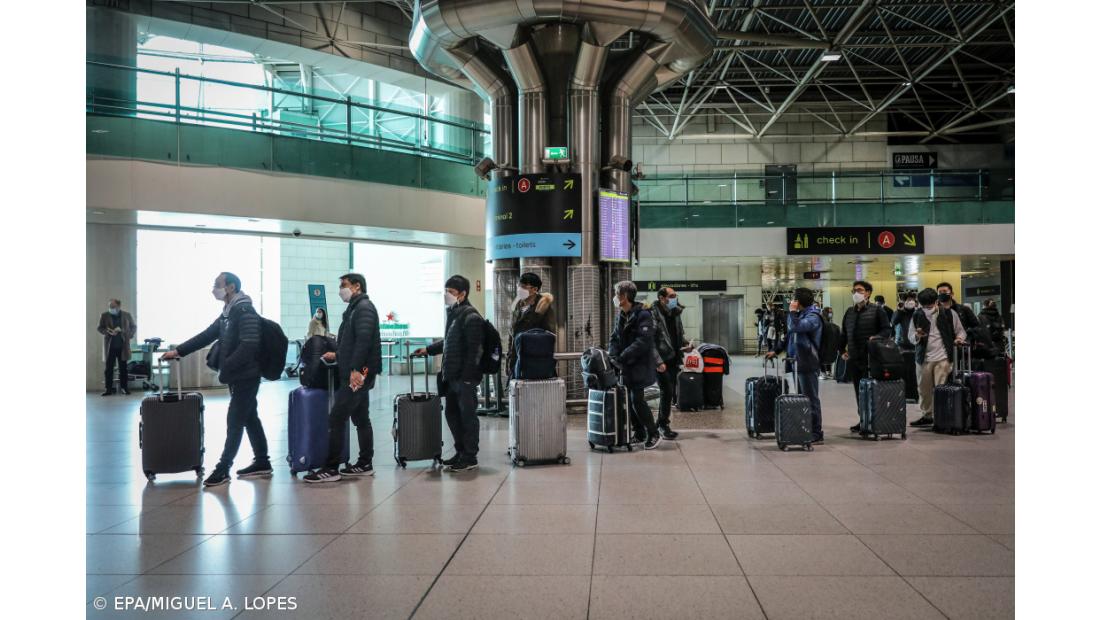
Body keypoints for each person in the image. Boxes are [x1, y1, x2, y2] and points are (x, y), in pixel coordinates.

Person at [161, 272, 271, 487]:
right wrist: (179, 351)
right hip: (238, 374)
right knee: (249, 417)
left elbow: (250, 344)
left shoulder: (244, 310)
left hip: (247, 375)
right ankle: (262, 462)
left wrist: (227, 366)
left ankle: (223, 469)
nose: (214, 289)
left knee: (235, 419)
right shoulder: (228, 313)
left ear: (230, 287)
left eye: (217, 284)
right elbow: (207, 335)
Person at [303, 274, 381, 483]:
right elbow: (352, 342)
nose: (340, 289)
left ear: (357, 287)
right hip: (358, 370)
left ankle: (331, 468)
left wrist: (356, 369)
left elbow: (363, 342)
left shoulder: (363, 308)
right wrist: (338, 355)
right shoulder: (356, 308)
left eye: (343, 285)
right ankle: (365, 463)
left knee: (337, 417)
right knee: (361, 418)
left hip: (358, 373)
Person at [413, 275, 483, 473]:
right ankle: (460, 451)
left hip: (464, 378)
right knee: (453, 414)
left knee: (467, 416)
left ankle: (470, 457)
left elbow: (474, 350)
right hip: (452, 376)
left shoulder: (471, 316)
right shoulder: (455, 314)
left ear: (463, 294)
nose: (446, 295)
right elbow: (450, 342)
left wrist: (469, 378)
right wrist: (428, 349)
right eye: (446, 291)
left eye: (451, 292)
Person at [608, 281, 662, 450]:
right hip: (626, 366)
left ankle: (653, 433)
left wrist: (623, 355)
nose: (615, 297)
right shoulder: (621, 315)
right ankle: (639, 432)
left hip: (639, 365)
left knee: (636, 400)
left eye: (617, 294)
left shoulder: (643, 315)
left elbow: (643, 341)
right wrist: (613, 354)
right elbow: (615, 338)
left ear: (624, 296)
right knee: (628, 400)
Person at [767, 288, 824, 443]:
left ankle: (816, 432)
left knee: (810, 398)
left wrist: (792, 312)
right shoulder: (800, 315)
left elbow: (795, 328)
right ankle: (806, 427)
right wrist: (776, 350)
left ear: (799, 301)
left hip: (807, 362)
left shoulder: (813, 316)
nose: (791, 302)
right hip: (796, 361)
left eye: (793, 299)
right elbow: (789, 336)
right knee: (801, 398)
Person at [908, 288, 967, 427]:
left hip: (943, 357)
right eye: (924, 306)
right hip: (923, 358)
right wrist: (917, 336)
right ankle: (927, 415)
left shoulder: (949, 314)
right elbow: (910, 336)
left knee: (941, 389)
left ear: (936, 302)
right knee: (923, 389)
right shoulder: (917, 315)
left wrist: (958, 338)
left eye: (929, 305)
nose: (927, 308)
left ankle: (941, 416)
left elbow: (961, 331)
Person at [839, 280, 892, 434]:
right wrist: (842, 350)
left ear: (868, 293)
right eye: (854, 290)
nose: (856, 293)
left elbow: (887, 330)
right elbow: (844, 333)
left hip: (872, 358)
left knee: (873, 390)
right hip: (855, 358)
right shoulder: (849, 312)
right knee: (860, 391)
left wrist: (875, 338)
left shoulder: (877, 310)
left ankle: (875, 420)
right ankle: (863, 419)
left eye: (860, 290)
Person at [650, 287, 691, 440]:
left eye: (675, 295)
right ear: (662, 298)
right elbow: (650, 340)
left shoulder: (675, 313)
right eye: (672, 296)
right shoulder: (653, 313)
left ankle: (661, 424)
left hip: (674, 358)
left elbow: (678, 334)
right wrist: (657, 361)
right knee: (666, 391)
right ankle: (661, 425)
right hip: (662, 360)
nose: (675, 298)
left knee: (669, 392)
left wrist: (686, 345)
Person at [506, 272, 556, 378]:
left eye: (524, 287)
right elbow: (512, 335)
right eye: (519, 286)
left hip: (535, 364)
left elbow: (550, 336)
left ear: (534, 289)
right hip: (516, 360)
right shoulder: (517, 307)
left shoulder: (543, 308)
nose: (520, 289)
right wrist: (510, 358)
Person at [97, 299, 136, 396]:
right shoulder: (104, 315)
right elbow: (100, 328)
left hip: (123, 346)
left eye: (113, 307)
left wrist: (129, 334)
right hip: (110, 347)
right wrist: (107, 331)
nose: (111, 308)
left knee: (123, 368)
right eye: (110, 306)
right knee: (108, 369)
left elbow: (133, 327)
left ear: (119, 306)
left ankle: (124, 388)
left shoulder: (127, 315)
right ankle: (108, 389)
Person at [819, 306, 841, 379]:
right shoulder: (834, 326)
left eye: (831, 312)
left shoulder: (823, 324)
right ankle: (826, 372)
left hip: (826, 346)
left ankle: (825, 372)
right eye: (829, 312)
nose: (830, 314)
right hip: (828, 346)